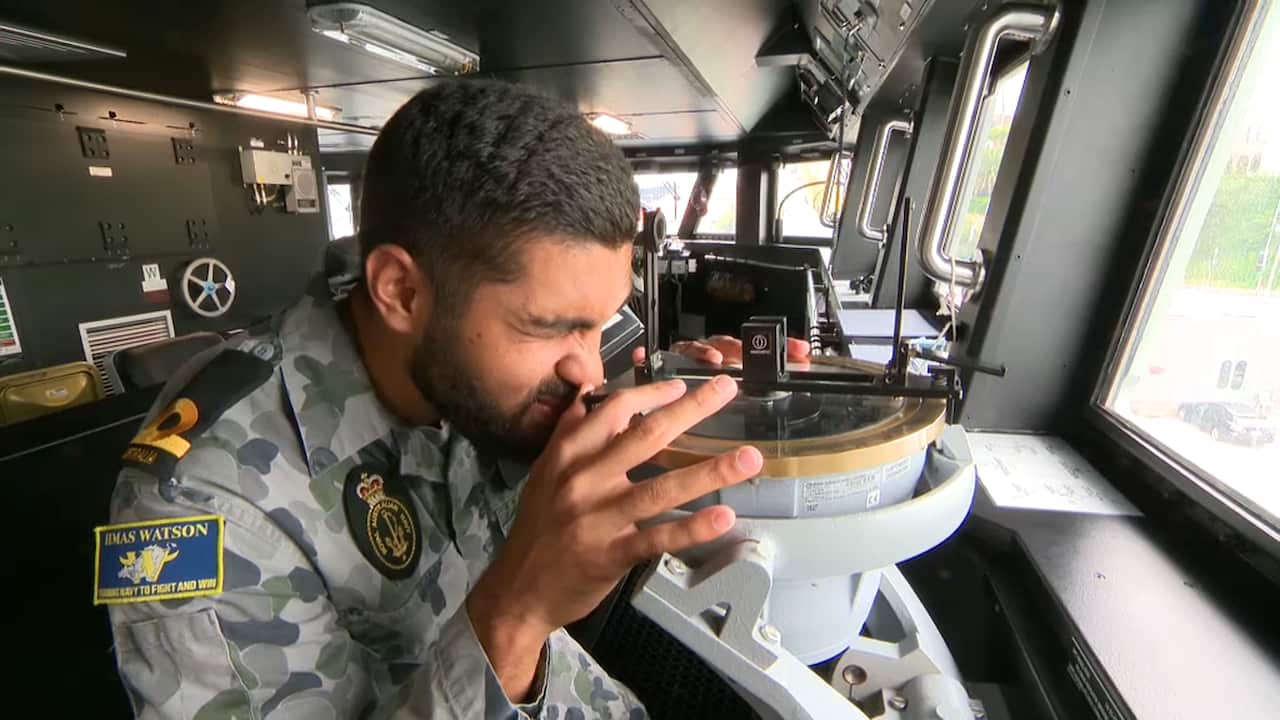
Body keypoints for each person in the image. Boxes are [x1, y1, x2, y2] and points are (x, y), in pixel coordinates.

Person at [95, 79, 807, 719]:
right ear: (400, 291)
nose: (588, 371)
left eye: (598, 324)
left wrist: (726, 406)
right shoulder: (203, 506)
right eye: (550, 327)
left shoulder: (468, 364)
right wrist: (516, 616)